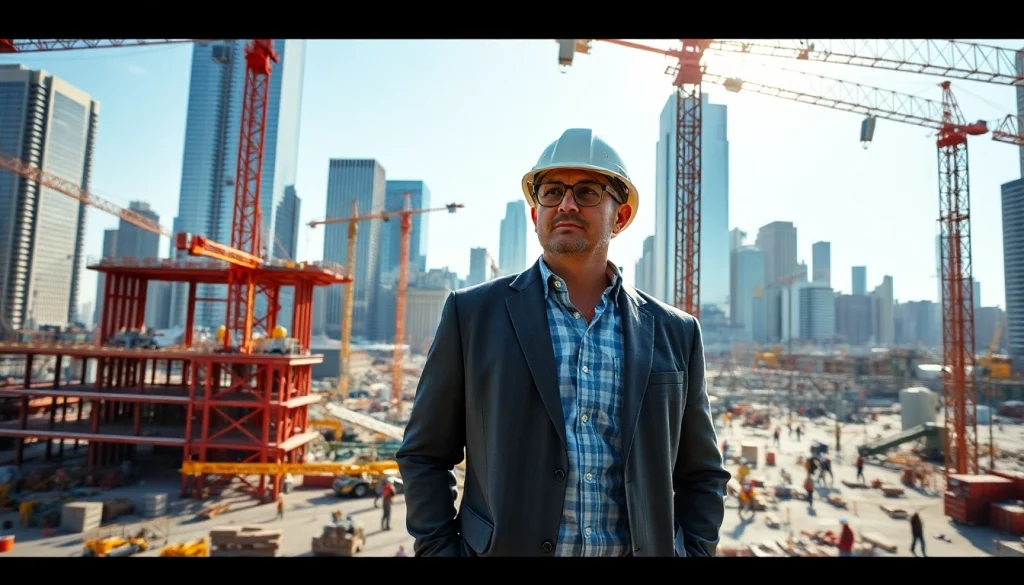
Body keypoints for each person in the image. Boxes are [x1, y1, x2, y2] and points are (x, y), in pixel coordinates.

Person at [396, 128, 731, 557]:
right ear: (535, 213)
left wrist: (695, 552)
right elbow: (424, 454)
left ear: (621, 216)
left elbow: (702, 472)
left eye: (587, 192)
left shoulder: (675, 332)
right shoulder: (472, 315)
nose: (566, 204)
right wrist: (440, 551)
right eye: (551, 192)